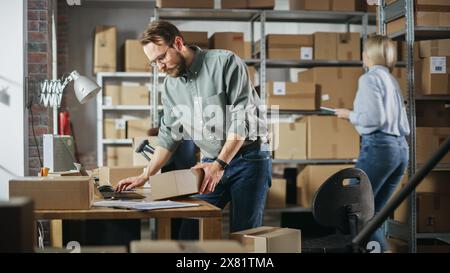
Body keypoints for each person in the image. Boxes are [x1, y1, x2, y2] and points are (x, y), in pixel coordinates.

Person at [115, 20, 271, 234]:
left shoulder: (225, 63)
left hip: (249, 158)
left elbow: (241, 119)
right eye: (154, 63)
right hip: (208, 163)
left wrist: (220, 165)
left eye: (161, 58)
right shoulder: (170, 86)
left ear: (178, 43)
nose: (160, 67)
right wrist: (145, 175)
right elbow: (169, 135)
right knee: (191, 230)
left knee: (245, 234)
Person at [334, 34, 410, 252]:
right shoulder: (391, 80)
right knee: (372, 213)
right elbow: (404, 123)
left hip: (380, 147)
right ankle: (380, 250)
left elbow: (373, 119)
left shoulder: (368, 78)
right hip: (400, 149)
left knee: (355, 208)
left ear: (368, 55)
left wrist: (349, 114)